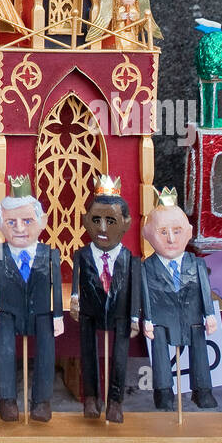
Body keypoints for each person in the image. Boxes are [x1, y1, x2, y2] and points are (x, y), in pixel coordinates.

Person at [0, 178, 64, 422]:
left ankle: (42, 401)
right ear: (0, 224)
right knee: (5, 352)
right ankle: (7, 399)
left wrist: (59, 315)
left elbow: (56, 286)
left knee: (46, 352)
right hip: (9, 312)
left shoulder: (49, 254)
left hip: (42, 313)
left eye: (27, 221)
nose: (19, 228)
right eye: (11, 222)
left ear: (41, 222)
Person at [140, 189, 218, 411]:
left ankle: (202, 390)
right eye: (163, 232)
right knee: (161, 354)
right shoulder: (146, 266)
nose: (171, 239)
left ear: (189, 232)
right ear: (147, 234)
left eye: (177, 231)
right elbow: (144, 292)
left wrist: (210, 314)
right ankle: (164, 393)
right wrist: (147, 318)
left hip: (191, 315)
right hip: (162, 318)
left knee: (200, 350)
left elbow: (204, 289)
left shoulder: (197, 264)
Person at [69, 177, 139, 423]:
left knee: (119, 357)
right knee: (88, 354)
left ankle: (115, 401)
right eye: (96, 220)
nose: (102, 228)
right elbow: (76, 280)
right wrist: (74, 299)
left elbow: (136, 289)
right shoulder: (82, 254)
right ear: (86, 220)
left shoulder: (131, 260)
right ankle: (91, 398)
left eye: (111, 221)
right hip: (90, 311)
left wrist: (135, 317)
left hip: (120, 315)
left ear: (126, 224)